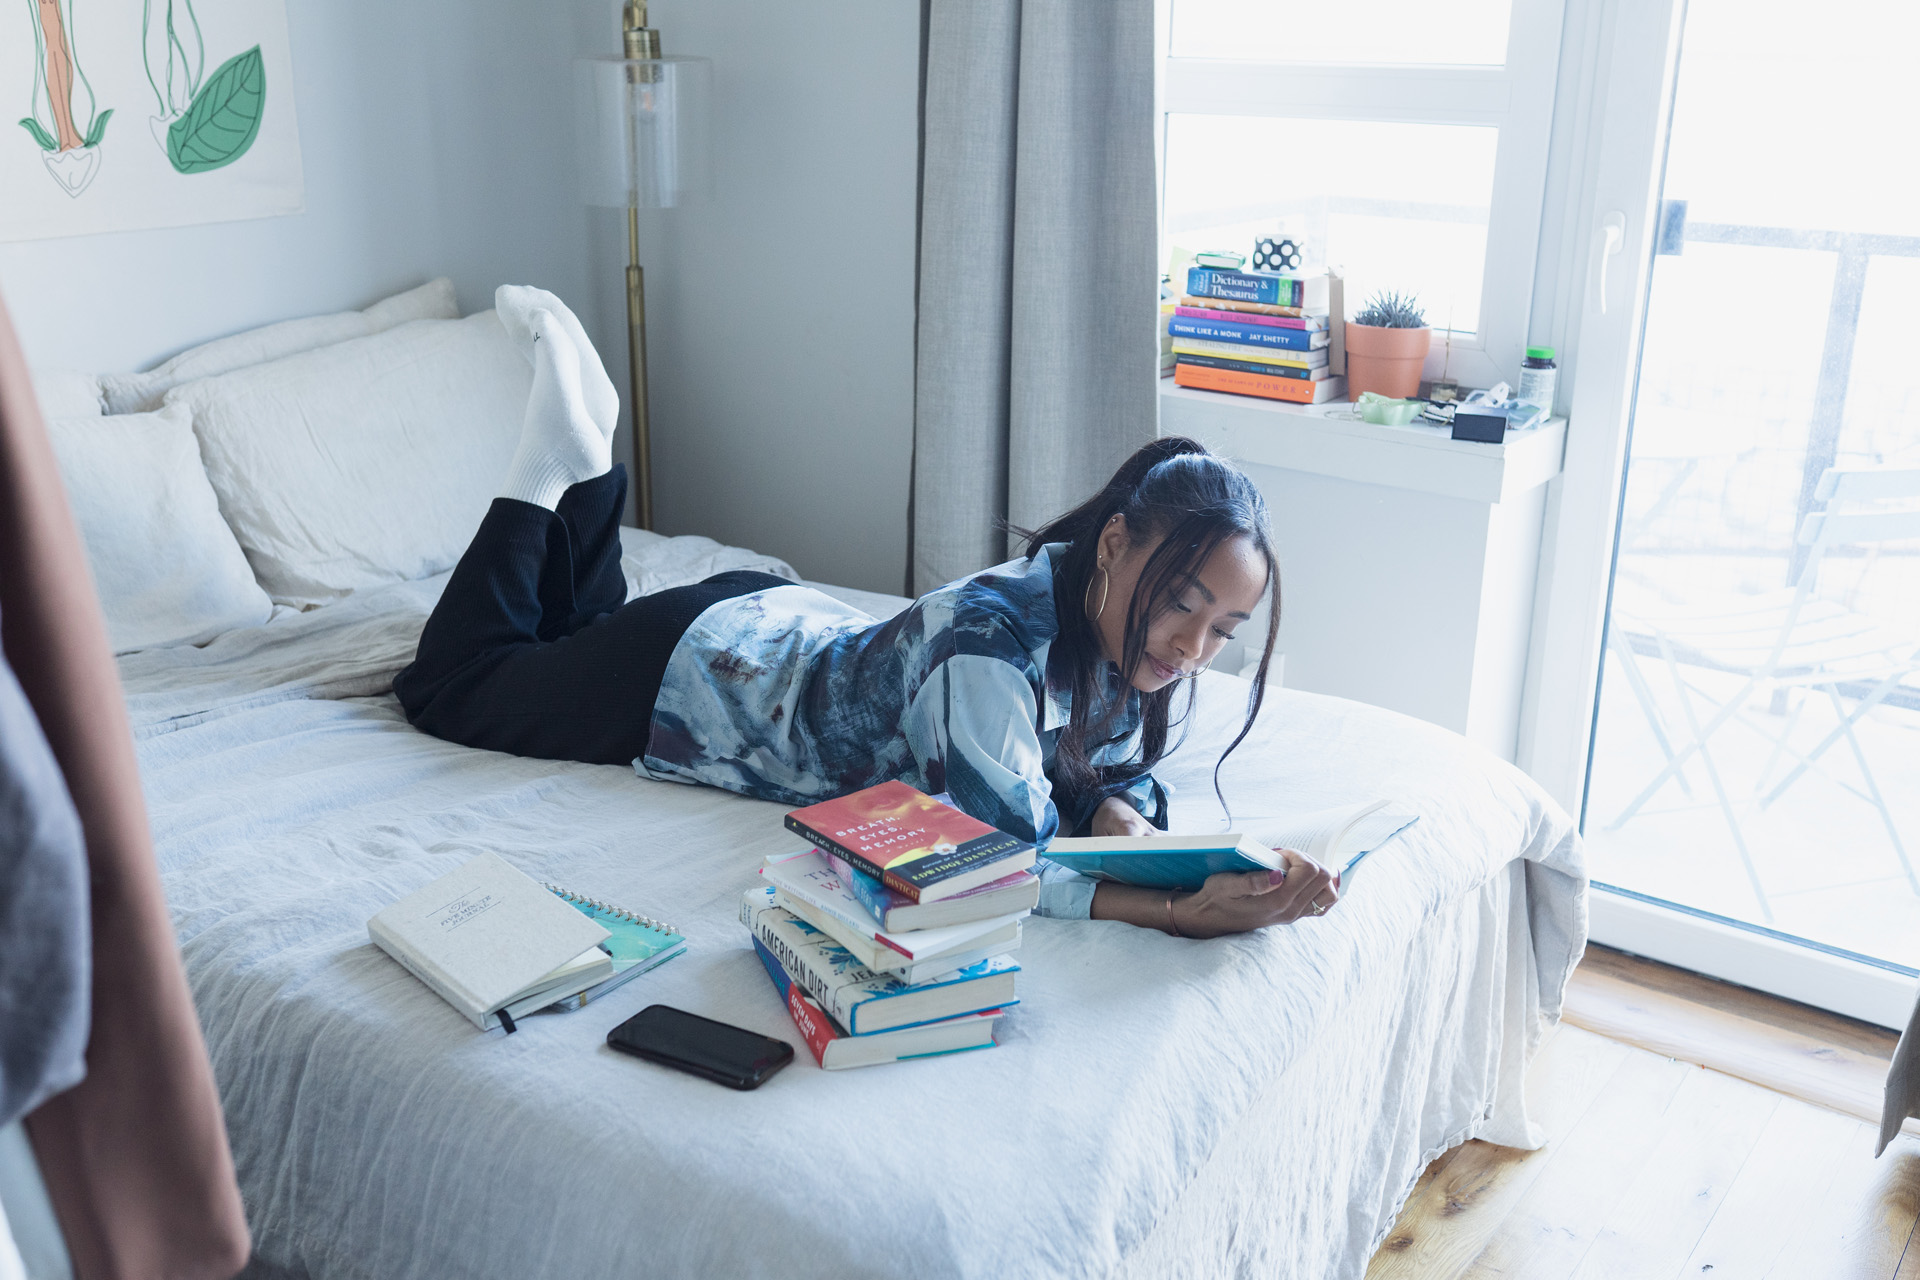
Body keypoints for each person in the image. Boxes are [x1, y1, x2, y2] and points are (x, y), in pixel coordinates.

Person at [396, 287, 1339, 938]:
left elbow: (1086, 770)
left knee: (565, 642)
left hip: (766, 623)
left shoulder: (1111, 627)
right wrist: (1177, 909)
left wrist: (1127, 824)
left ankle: (593, 466)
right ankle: (548, 469)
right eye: (1183, 605)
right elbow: (994, 868)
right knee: (456, 684)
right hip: (700, 679)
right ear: (1116, 542)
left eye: (1222, 630)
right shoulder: (991, 646)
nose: (1193, 646)